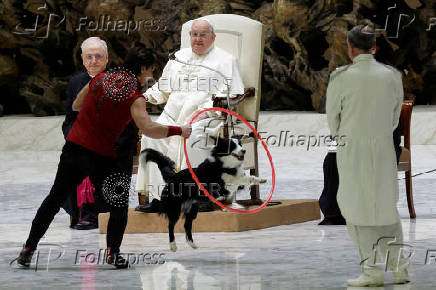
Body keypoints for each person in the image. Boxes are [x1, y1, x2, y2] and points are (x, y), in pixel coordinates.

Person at [16, 46, 192, 269]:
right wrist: (180, 131)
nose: (151, 76)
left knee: (54, 199)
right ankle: (113, 253)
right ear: (144, 68)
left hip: (75, 148)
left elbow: (76, 105)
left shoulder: (100, 78)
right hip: (103, 156)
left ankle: (29, 248)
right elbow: (148, 128)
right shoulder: (135, 97)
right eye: (151, 71)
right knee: (118, 204)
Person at [326, 24, 410, 286]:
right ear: (374, 46)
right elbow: (395, 116)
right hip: (385, 147)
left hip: (352, 148)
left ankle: (372, 272)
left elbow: (333, 118)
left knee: (355, 206)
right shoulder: (392, 75)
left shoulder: (340, 77)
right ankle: (399, 270)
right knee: (386, 205)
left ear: (350, 48)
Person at [135, 18, 244, 211]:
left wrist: (209, 109)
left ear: (213, 37)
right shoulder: (178, 57)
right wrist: (143, 97)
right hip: (173, 114)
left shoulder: (225, 60)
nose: (198, 39)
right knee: (152, 137)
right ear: (189, 36)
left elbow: (233, 94)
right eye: (194, 34)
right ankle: (160, 197)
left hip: (206, 115)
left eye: (203, 35)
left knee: (194, 136)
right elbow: (162, 88)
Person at [61, 36, 140, 230]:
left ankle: (93, 213)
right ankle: (82, 211)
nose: (93, 61)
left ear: (107, 58)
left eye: (98, 56)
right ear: (82, 58)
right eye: (89, 57)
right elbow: (69, 120)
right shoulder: (75, 83)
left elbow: (130, 121)